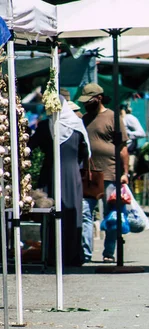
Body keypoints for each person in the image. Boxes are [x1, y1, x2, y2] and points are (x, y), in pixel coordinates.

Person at [29, 96, 91, 267]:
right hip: (72, 176)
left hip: (50, 174)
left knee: (50, 215)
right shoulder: (77, 126)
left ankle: (51, 255)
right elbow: (85, 153)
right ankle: (72, 256)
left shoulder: (44, 126)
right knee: (72, 215)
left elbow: (30, 147)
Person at [78, 83, 128, 263]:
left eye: (89, 100)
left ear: (98, 98)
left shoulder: (112, 118)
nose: (85, 104)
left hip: (110, 174)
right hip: (89, 175)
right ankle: (85, 253)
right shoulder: (84, 119)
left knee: (112, 216)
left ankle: (108, 252)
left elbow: (122, 148)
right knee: (85, 213)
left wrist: (125, 173)